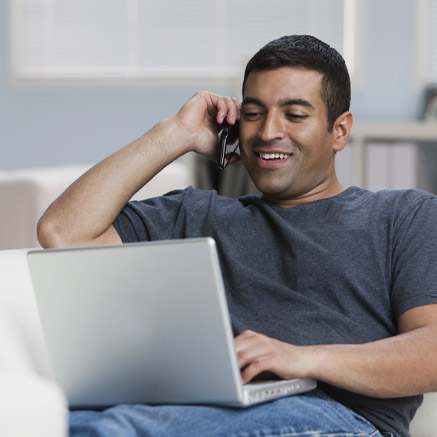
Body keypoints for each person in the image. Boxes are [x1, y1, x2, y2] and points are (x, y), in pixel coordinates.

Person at [37, 35, 437, 437]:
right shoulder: (196, 214)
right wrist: (177, 132)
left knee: (120, 429)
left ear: (340, 130)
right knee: (56, 423)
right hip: (202, 410)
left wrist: (302, 360)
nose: (268, 132)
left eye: (295, 115)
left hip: (335, 417)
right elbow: (63, 233)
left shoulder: (402, 215)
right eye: (253, 112)